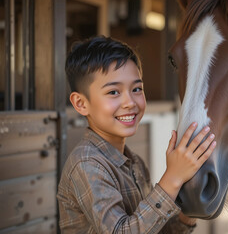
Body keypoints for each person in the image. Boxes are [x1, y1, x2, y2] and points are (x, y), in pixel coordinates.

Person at [57, 36, 216, 233]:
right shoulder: (87, 164)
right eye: (113, 92)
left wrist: (190, 209)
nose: (130, 102)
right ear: (81, 104)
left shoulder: (135, 163)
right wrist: (173, 177)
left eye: (137, 89)